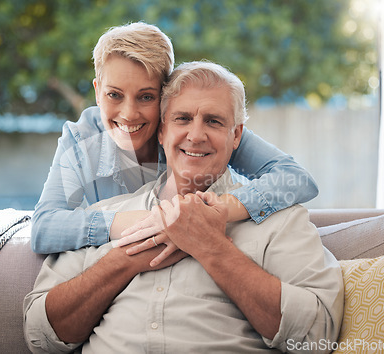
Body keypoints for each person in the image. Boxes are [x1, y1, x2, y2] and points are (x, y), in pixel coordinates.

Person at [24, 61, 343, 353]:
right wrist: (129, 256)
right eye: (182, 119)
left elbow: (316, 336)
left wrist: (212, 248)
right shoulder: (103, 215)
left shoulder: (281, 221)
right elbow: (40, 335)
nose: (196, 134)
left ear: (236, 136)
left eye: (214, 122)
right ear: (161, 130)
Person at [30, 22, 319, 256]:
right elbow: (44, 228)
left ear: (165, 96)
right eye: (114, 95)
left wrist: (212, 213)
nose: (129, 114)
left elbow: (295, 178)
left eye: (146, 97)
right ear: (97, 91)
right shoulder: (83, 137)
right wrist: (158, 222)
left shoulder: (192, 132)